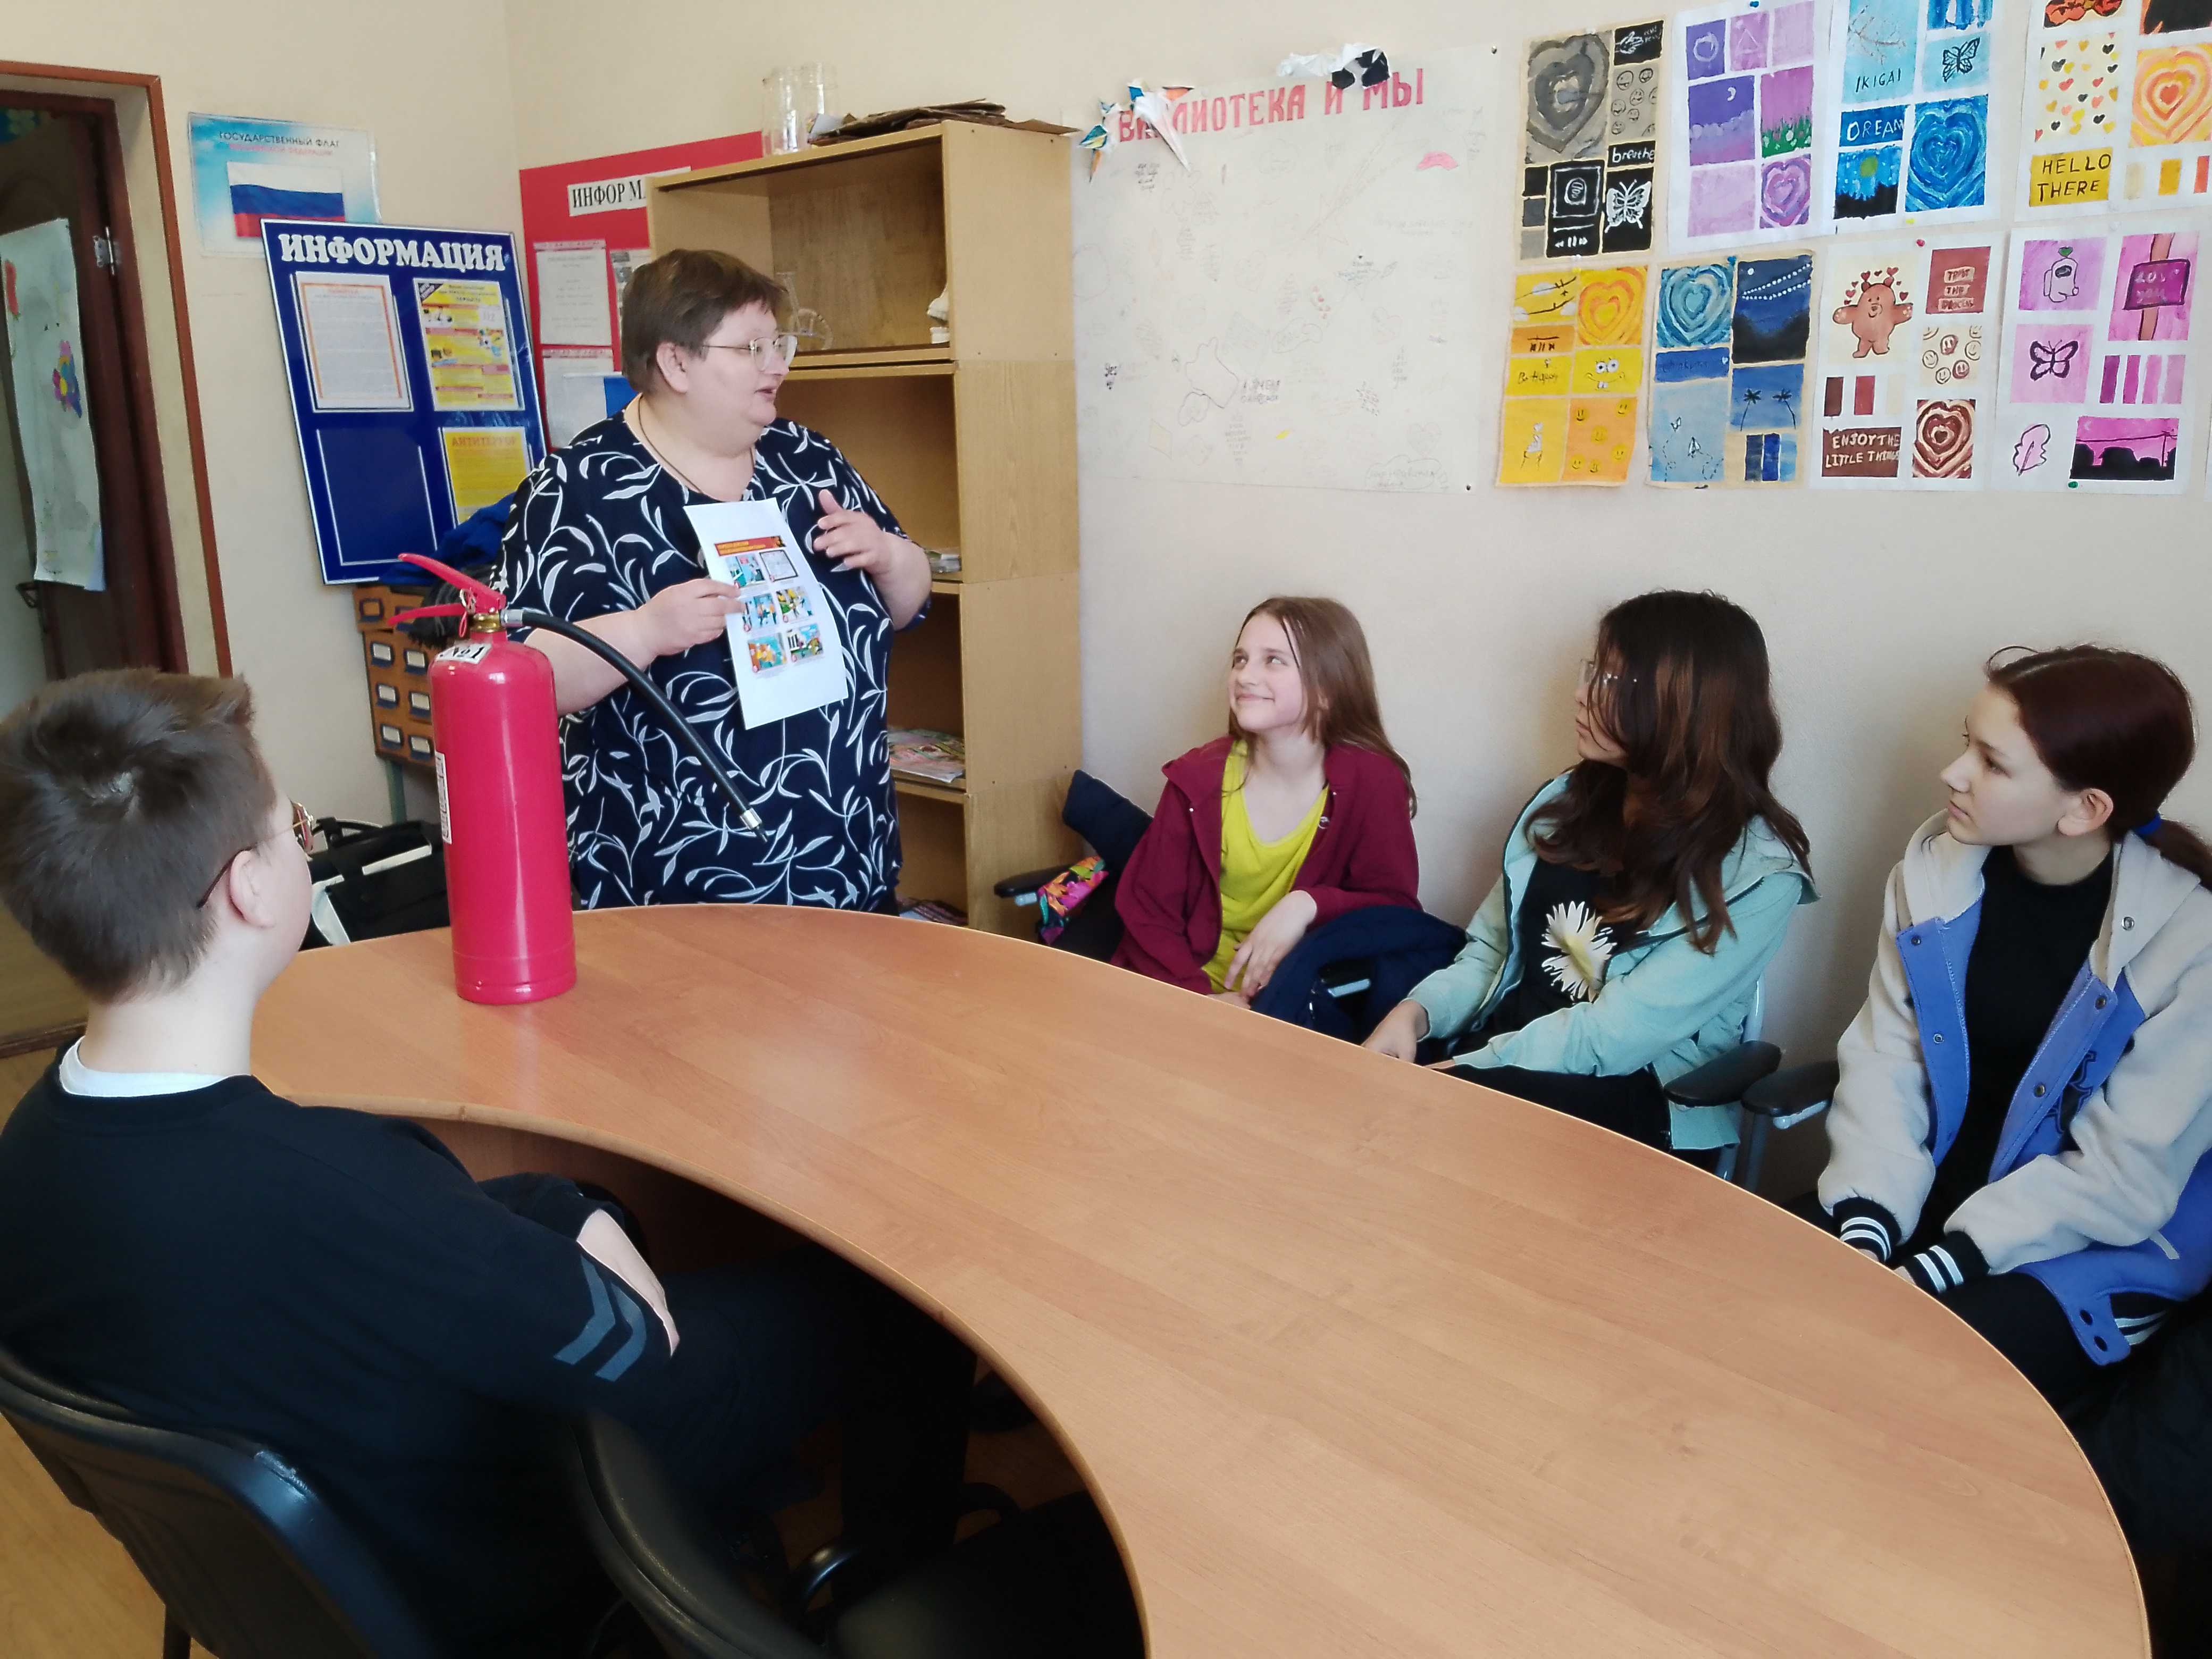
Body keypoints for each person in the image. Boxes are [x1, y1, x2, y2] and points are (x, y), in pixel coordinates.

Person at [0, 671, 971, 1656]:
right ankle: (896, 1612)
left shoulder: (28, 1161)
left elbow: (425, 1242)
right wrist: (590, 1226)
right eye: (294, 830)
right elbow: (639, 1353)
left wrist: (567, 1204)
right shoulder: (343, 1183)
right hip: (502, 1554)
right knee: (901, 1295)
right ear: (249, 889)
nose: (304, 845)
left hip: (321, 1571)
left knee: (578, 1203)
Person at [1812, 646, 2212, 1411]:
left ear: (2083, 809)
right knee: (1767, 1314)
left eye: (1991, 764)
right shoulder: (1933, 879)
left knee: (1892, 1386)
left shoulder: (2191, 945)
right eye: (1967, 744)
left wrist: (1944, 1264)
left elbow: (2122, 1177)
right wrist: (1867, 1224)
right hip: (1929, 1193)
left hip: (2083, 1246)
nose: (1952, 773)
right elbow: (1886, 1059)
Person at [497, 249, 933, 911]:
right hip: (675, 876)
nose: (778, 365)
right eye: (754, 348)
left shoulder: (806, 459)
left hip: (843, 849)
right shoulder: (577, 491)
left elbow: (906, 605)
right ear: (676, 363)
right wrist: (644, 631)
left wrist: (889, 556)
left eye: (779, 344)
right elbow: (524, 677)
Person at [1364, 590, 1815, 1157]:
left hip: (1631, 1100)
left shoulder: (1759, 874)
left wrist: (1469, 1071)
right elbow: (1491, 953)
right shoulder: (1565, 803)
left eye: (1612, 682)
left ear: (1685, 707)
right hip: (1501, 1064)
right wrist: (1415, 1015)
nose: (1581, 694)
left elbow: (1615, 1036)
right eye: (1593, 672)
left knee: (1408, 1136)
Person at [1111, 597, 1419, 1004]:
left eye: (1273, 660)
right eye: (1240, 659)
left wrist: (1308, 905)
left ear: (1328, 689)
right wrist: (1202, 1001)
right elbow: (1149, 916)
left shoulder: (1373, 782)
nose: (1245, 676)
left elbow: (1396, 914)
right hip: (1184, 993)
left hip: (1298, 1003)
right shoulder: (1196, 779)